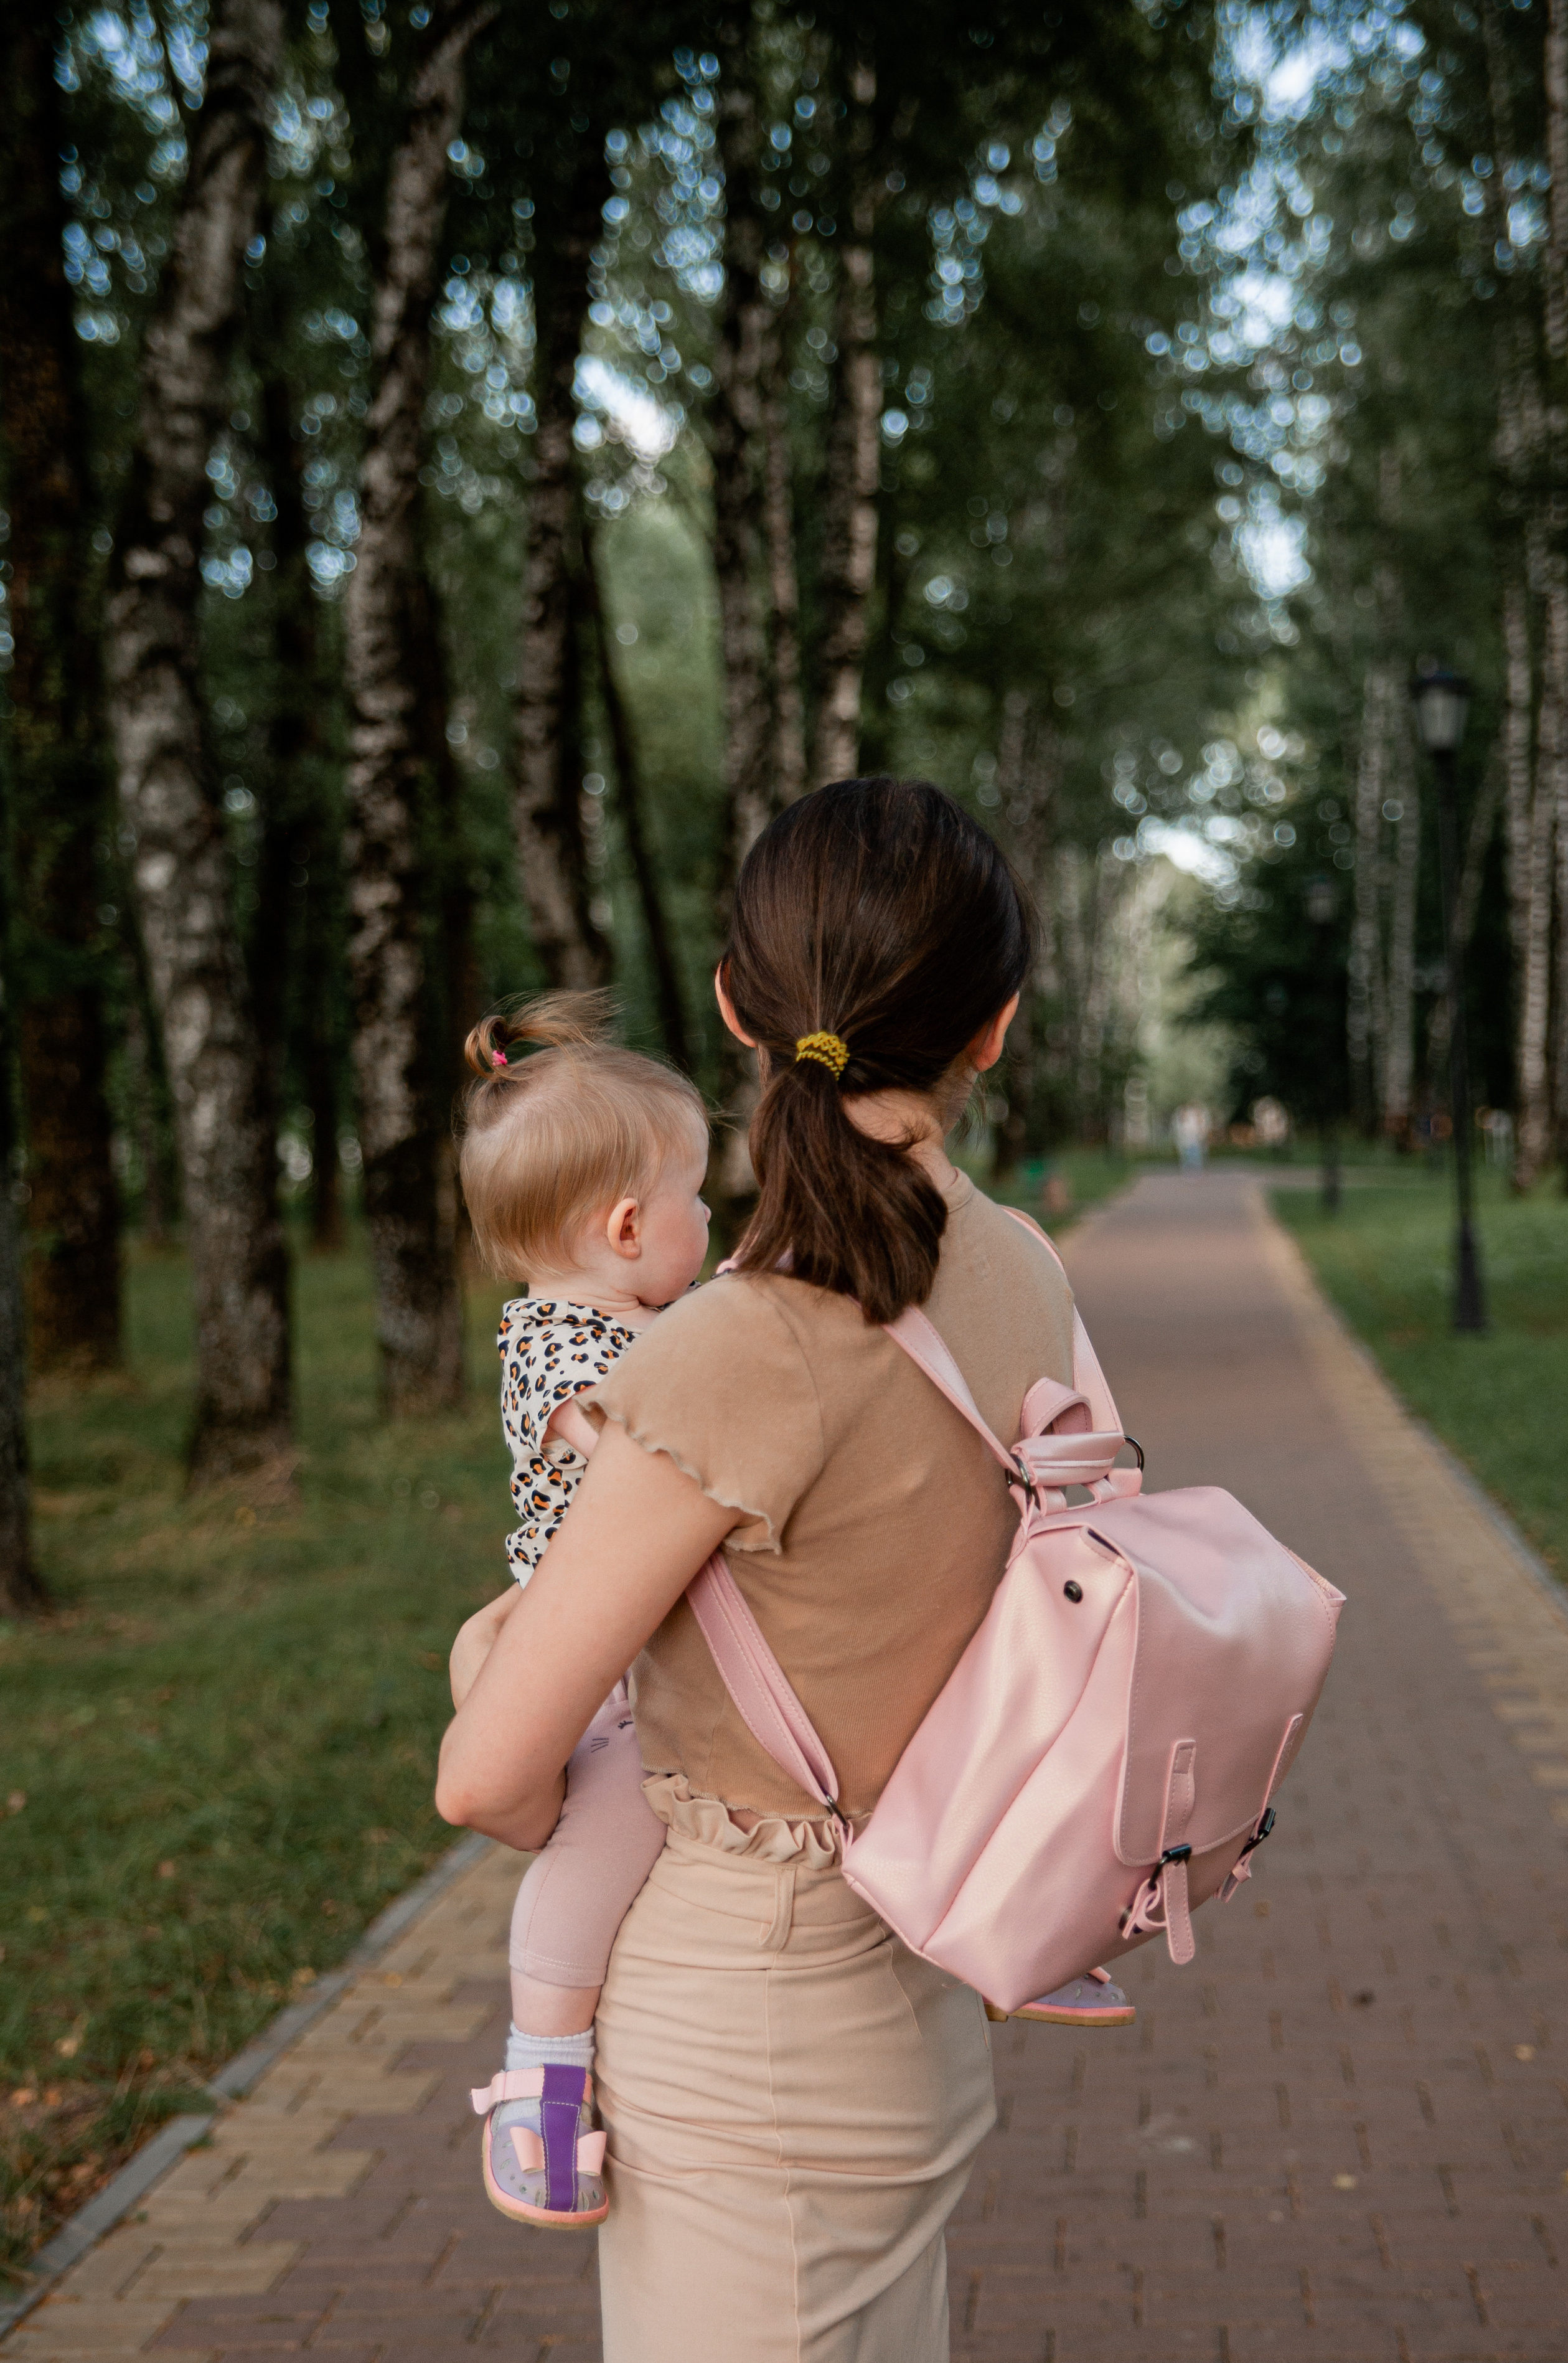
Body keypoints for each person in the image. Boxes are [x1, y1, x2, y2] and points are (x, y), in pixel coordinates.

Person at [438, 778, 1129, 2361]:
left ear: (738, 1004)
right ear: (995, 1028)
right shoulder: (1016, 1263)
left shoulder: (733, 1347)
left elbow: (488, 1779)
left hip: (748, 2048)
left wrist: (496, 1651)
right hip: (919, 1992)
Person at [451, 994, 712, 2227]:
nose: (710, 1222)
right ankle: (539, 2084)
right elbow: (647, 1441)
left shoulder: (638, 1319)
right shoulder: (563, 1345)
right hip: (596, 1664)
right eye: (697, 1201)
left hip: (634, 1639)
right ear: (623, 1224)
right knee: (596, 1843)